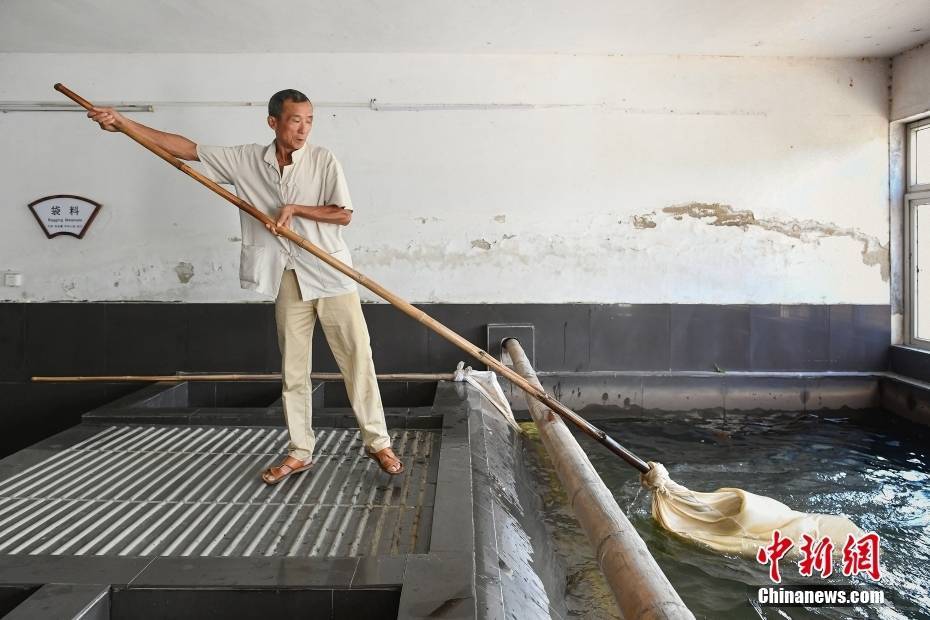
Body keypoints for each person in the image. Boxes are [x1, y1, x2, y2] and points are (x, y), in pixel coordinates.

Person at [87, 89, 404, 482]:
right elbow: (187, 149)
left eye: (309, 120)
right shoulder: (245, 160)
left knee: (358, 359)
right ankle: (300, 450)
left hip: (331, 274)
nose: (303, 129)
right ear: (273, 122)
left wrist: (296, 209)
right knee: (293, 369)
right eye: (294, 120)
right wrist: (123, 124)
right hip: (286, 276)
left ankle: (378, 443)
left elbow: (343, 215)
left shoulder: (323, 160)